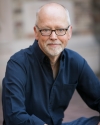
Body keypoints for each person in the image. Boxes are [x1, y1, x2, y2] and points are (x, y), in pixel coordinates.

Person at [2, 2, 100, 125]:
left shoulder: (75, 62)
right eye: (46, 30)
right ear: (36, 32)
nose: (53, 36)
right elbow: (14, 116)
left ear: (69, 32)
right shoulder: (18, 64)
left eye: (60, 29)